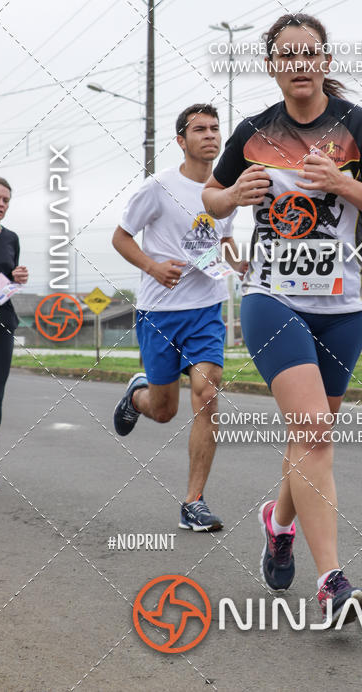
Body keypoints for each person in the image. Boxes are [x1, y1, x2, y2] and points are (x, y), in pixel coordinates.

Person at [202, 13, 362, 626]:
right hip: (272, 298)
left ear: (324, 60)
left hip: (345, 306)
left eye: (308, 53)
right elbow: (211, 198)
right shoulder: (252, 131)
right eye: (286, 55)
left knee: (310, 437)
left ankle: (278, 521)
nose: (298, 64)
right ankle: (333, 582)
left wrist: (343, 186)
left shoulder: (360, 129)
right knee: (315, 432)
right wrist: (233, 195)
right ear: (272, 65)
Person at [112, 105, 245, 531]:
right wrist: (152, 267)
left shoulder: (227, 189)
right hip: (159, 312)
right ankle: (138, 395)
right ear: (181, 141)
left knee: (207, 393)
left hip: (206, 308)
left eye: (214, 128)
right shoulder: (159, 187)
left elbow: (221, 242)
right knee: (165, 410)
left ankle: (194, 503)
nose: (210, 135)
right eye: (199, 129)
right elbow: (121, 236)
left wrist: (241, 264)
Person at [0, 177, 29, 490]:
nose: (0, 204)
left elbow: (5, 287)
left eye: (5, 199)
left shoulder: (11, 238)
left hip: (1, 322)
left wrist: (17, 278)